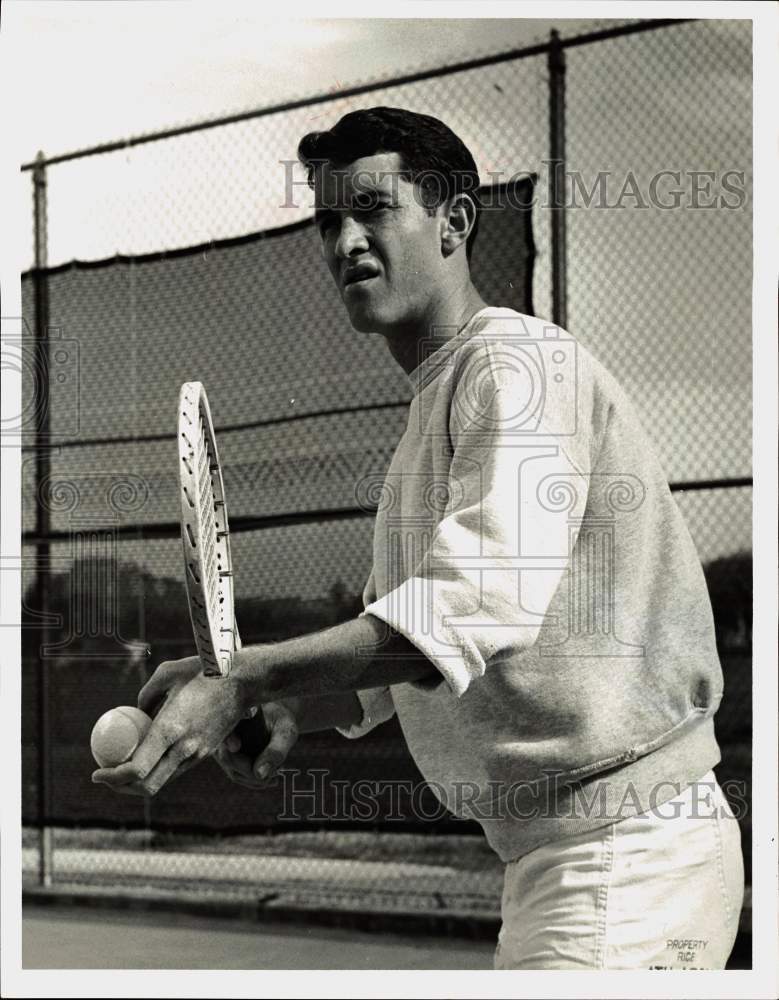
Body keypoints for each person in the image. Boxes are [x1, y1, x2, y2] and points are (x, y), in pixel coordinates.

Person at [93, 107, 744, 970]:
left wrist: (245, 676)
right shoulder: (434, 412)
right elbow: (398, 669)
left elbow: (471, 607)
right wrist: (276, 704)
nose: (346, 240)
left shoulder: (515, 364)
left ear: (454, 221)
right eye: (329, 219)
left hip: (625, 855)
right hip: (567, 861)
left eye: (373, 208)